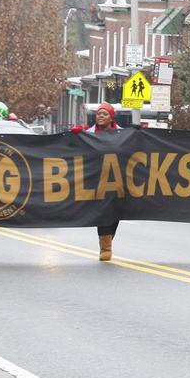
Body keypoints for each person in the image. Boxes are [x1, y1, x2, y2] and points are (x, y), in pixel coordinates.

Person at [81, 103, 121, 261]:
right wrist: (76, 136)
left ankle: (108, 240)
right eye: (99, 114)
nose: (101, 116)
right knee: (103, 212)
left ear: (111, 117)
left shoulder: (122, 133)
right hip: (97, 180)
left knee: (116, 212)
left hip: (118, 180)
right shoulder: (88, 133)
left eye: (105, 114)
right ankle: (105, 248)